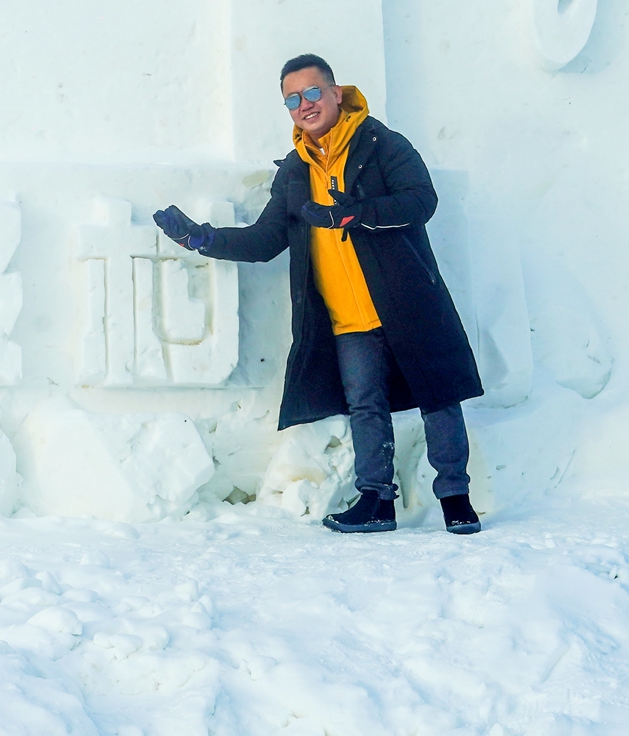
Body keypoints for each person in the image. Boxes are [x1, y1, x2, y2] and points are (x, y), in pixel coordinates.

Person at [152, 54, 485, 535]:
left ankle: (456, 497)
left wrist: (357, 213)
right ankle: (376, 501)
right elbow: (266, 239)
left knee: (438, 396)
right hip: (346, 319)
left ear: (335, 92)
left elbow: (421, 201)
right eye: (292, 99)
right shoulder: (294, 170)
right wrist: (202, 239)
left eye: (311, 93)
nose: (303, 105)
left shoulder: (381, 143)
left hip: (408, 303)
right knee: (365, 406)